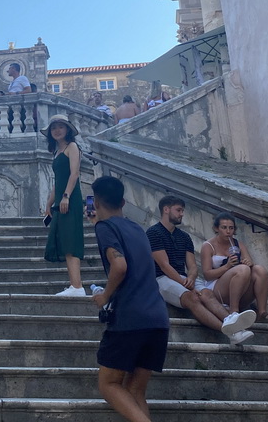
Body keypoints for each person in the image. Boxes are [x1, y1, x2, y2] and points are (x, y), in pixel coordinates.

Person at [90, 176, 170, 422]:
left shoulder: (105, 228)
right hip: (158, 318)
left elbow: (120, 265)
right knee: (136, 391)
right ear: (123, 201)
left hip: (130, 318)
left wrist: (104, 295)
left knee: (109, 384)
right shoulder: (136, 227)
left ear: (96, 203)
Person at [146, 195, 256, 344]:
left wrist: (190, 278)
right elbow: (164, 265)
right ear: (166, 210)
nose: (182, 214)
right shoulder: (153, 233)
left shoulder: (184, 237)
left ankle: (231, 320)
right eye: (179, 210)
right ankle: (231, 332)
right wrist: (185, 283)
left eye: (182, 210)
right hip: (161, 279)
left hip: (183, 277)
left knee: (207, 293)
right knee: (192, 298)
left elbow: (192, 265)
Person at [200, 212, 268, 326]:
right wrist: (227, 266)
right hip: (217, 288)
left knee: (259, 270)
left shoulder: (238, 244)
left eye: (231, 228)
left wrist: (248, 263)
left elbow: (249, 263)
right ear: (216, 228)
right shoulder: (208, 246)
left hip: (239, 287)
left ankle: (262, 312)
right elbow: (207, 274)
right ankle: (234, 312)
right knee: (242, 269)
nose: (228, 231)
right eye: (224, 228)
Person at [42, 115, 86, 296]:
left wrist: (66, 196)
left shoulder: (72, 147)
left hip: (70, 198)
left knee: (71, 240)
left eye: (61, 127)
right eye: (54, 128)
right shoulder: (57, 152)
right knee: (65, 240)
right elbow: (57, 181)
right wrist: (49, 203)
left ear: (67, 130)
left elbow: (74, 174)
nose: (57, 130)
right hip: (60, 200)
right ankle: (74, 285)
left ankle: (77, 286)